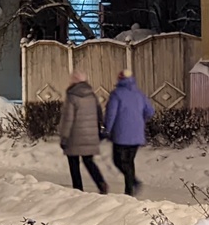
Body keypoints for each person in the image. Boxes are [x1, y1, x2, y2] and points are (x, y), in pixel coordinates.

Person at [103, 68, 157, 197]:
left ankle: (134, 183)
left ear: (119, 79)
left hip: (121, 135)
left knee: (118, 160)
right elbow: (150, 111)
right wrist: (139, 120)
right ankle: (129, 190)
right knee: (129, 161)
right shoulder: (140, 94)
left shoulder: (116, 94)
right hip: (137, 134)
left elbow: (111, 114)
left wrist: (107, 129)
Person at [57, 72, 107, 192]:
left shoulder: (72, 96)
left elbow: (68, 119)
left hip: (74, 136)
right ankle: (101, 183)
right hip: (90, 135)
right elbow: (99, 114)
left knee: (73, 162)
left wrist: (64, 137)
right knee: (88, 161)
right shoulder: (92, 96)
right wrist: (99, 129)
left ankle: (78, 188)